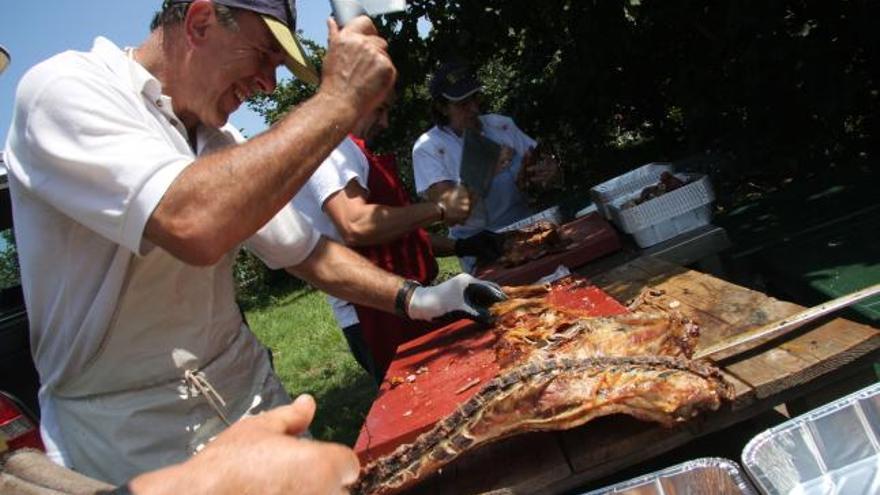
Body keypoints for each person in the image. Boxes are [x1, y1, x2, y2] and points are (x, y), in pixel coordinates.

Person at [3, 0, 504, 485]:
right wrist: (338, 99)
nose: (268, 83)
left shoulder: (219, 140)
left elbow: (305, 251)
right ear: (199, 21)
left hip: (249, 395)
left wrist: (419, 299)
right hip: (136, 436)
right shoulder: (67, 89)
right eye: (264, 54)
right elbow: (193, 222)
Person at [293, 91, 505, 382]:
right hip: (376, 315)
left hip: (411, 303)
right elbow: (355, 224)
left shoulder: (354, 152)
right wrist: (439, 209)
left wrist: (462, 245)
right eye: (379, 110)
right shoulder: (332, 150)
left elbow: (395, 236)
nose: (385, 121)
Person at [412, 61, 560, 273]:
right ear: (442, 107)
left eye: (474, 98)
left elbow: (545, 167)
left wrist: (550, 171)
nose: (474, 108)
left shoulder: (501, 125)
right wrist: (486, 166)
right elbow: (453, 214)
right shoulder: (429, 149)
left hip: (529, 227)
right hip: (483, 248)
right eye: (463, 103)